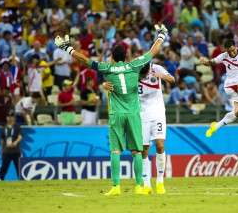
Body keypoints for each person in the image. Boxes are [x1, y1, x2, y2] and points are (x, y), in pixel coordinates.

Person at [54, 24, 168, 195]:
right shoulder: (134, 66)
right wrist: (161, 36)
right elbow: (153, 52)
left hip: (116, 114)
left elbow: (84, 60)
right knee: (137, 151)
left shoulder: (107, 68)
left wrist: (67, 48)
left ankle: (116, 187)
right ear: (127, 55)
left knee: (115, 150)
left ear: (112, 57)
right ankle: (139, 187)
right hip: (133, 114)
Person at [103, 62, 175, 194]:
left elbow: (172, 79)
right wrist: (104, 85)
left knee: (160, 144)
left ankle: (160, 180)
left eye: (144, 74)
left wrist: (161, 76)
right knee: (144, 149)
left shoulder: (156, 68)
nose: (142, 77)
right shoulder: (131, 71)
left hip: (157, 112)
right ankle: (147, 184)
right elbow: (116, 80)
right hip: (140, 114)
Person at [200, 39, 238, 137]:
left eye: (233, 50)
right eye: (229, 51)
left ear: (236, 46)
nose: (231, 53)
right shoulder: (224, 56)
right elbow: (212, 62)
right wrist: (205, 62)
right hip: (230, 85)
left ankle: (216, 126)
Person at [0, 110, 23, 181]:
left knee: (19, 167)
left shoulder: (17, 126)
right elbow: (2, 140)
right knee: (4, 166)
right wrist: (1, 150)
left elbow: (20, 136)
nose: (10, 118)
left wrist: (16, 142)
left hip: (16, 151)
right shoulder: (4, 128)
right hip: (7, 151)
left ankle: (22, 179)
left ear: (13, 118)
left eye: (11, 116)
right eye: (8, 116)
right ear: (6, 118)